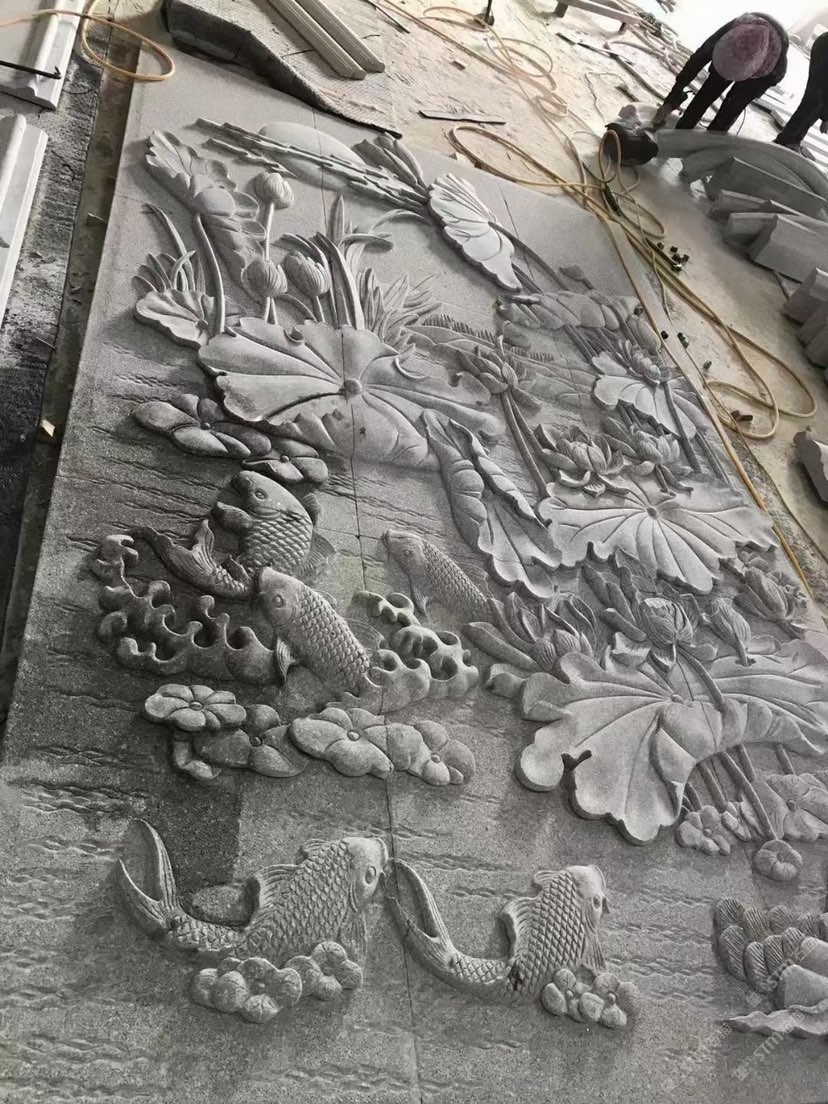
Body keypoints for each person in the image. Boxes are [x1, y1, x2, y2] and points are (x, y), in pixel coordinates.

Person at [653, 13, 788, 132]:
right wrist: (674, 95)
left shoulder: (774, 66)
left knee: (732, 106)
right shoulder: (729, 33)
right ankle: (683, 128)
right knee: (707, 92)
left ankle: (714, 137)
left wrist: (749, 94)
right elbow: (697, 61)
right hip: (730, 54)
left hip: (758, 66)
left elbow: (772, 81)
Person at [775, 32, 828, 148]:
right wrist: (825, 118)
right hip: (824, 49)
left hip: (823, 44)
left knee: (815, 100)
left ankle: (792, 140)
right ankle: (786, 140)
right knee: (815, 99)